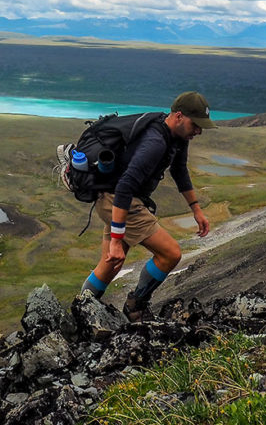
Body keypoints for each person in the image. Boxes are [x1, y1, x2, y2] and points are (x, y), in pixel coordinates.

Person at [76, 91, 215, 321]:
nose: (198, 131)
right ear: (179, 116)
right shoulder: (155, 141)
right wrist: (118, 241)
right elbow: (124, 188)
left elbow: (179, 171)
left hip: (114, 200)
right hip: (119, 200)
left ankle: (82, 312)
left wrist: (196, 210)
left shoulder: (177, 138)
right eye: (195, 125)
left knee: (110, 264)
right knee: (170, 253)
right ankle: (135, 307)